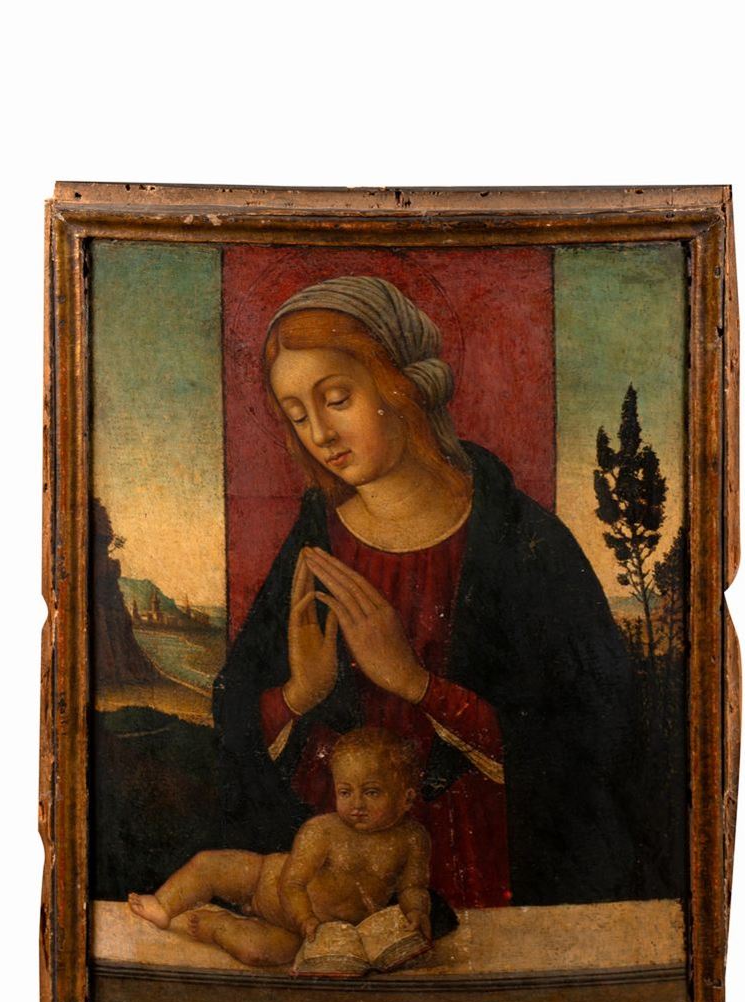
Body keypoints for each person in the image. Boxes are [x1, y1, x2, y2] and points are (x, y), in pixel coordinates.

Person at [214, 276, 636, 909]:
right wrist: (303, 690)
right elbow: (234, 717)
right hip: (347, 863)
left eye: (337, 399)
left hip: (490, 856)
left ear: (402, 385)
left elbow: (591, 727)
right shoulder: (316, 542)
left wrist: (415, 684)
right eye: (298, 415)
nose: (320, 433)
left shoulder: (520, 539)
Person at [127, 726, 432, 967]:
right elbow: (292, 883)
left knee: (256, 952)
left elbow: (412, 887)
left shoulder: (413, 839)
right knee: (209, 865)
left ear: (406, 798)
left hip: (303, 931)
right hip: (263, 881)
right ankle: (164, 905)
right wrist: (304, 918)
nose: (357, 804)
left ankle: (218, 925)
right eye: (345, 792)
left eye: (372, 792)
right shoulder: (323, 830)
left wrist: (417, 911)